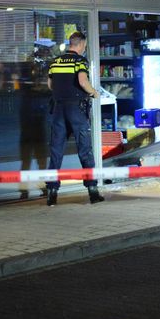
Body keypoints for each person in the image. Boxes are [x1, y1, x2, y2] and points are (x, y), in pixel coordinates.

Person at [45, 31, 104, 206]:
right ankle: (93, 192)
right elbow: (83, 81)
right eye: (84, 46)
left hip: (58, 108)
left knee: (56, 151)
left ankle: (52, 193)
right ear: (80, 44)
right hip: (76, 109)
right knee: (85, 149)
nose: (85, 48)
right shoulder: (80, 61)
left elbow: (50, 84)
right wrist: (94, 93)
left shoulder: (55, 61)